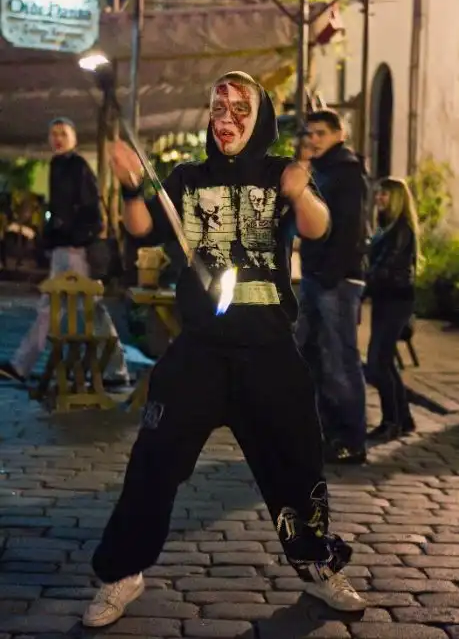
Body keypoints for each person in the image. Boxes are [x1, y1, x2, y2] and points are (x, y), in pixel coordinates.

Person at [81, 72, 366, 628]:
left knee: (296, 465)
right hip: (201, 351)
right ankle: (123, 571)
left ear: (259, 117)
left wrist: (299, 191)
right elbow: (141, 226)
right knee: (153, 461)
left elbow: (319, 227)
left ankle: (316, 562)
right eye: (218, 107)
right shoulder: (187, 178)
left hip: (269, 351)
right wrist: (132, 185)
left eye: (240, 108)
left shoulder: (281, 172)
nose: (227, 118)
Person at [0, 118, 129, 387]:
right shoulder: (58, 165)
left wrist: (71, 238)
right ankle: (115, 371)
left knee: (80, 309)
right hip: (64, 250)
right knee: (71, 309)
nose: (57, 138)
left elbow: (91, 212)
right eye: (54, 133)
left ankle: (22, 365)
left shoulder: (77, 166)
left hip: (75, 251)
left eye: (63, 134)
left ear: (73, 139)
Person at [296, 109, 368, 465]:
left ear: (340, 134)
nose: (313, 139)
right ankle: (328, 433)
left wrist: (329, 275)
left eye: (321, 133)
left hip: (336, 280)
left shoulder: (347, 171)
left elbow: (349, 230)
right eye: (310, 133)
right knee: (314, 357)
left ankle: (351, 439)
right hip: (317, 276)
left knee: (339, 359)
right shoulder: (321, 170)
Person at [365, 178, 418, 442]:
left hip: (395, 300)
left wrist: (362, 285)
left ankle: (390, 421)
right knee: (385, 362)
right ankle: (403, 418)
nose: (379, 198)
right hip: (385, 300)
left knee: (377, 364)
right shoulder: (386, 227)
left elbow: (385, 267)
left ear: (396, 198)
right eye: (378, 194)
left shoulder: (400, 229)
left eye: (384, 194)